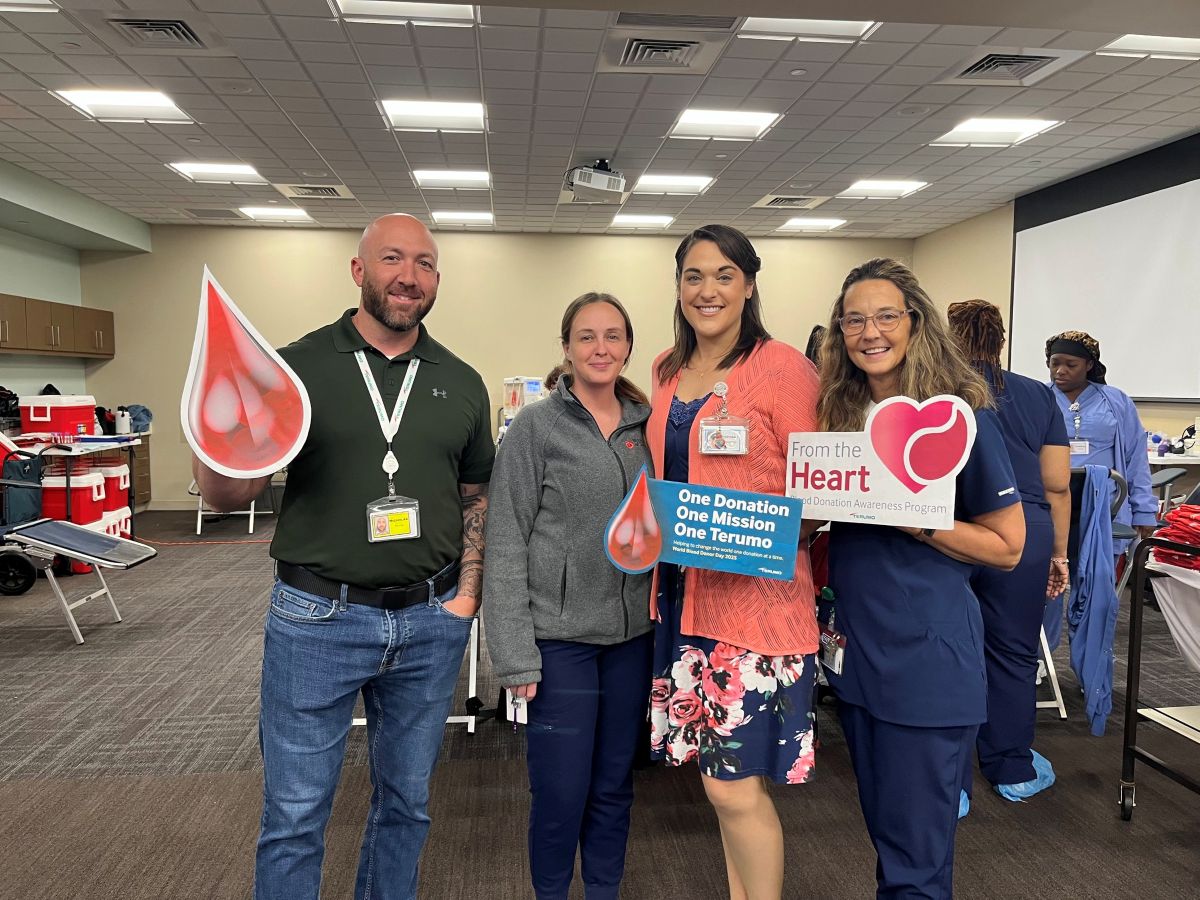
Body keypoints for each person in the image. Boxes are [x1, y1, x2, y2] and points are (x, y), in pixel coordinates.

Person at [193, 213, 495, 900]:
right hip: (316, 620)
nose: (408, 276)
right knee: (295, 815)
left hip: (430, 621)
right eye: (392, 259)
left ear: (437, 280)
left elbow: (475, 495)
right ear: (359, 270)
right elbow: (229, 491)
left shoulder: (461, 380)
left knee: (408, 805)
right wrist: (212, 426)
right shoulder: (293, 369)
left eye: (424, 264)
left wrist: (468, 596)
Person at [819, 260, 1025, 898]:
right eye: (854, 319)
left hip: (926, 661)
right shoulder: (840, 418)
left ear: (916, 323)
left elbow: (1008, 547)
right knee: (888, 834)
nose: (870, 332)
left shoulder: (958, 419)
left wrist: (917, 519)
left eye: (886, 316)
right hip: (856, 654)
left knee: (915, 855)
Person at [646, 224, 821, 900]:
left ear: (749, 285)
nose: (707, 289)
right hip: (683, 599)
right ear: (678, 287)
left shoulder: (783, 368)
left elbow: (819, 491)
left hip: (754, 610)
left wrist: (757, 532)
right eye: (693, 276)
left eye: (724, 275)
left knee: (733, 788)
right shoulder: (666, 369)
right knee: (717, 781)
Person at [483, 292, 653, 900]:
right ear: (567, 348)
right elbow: (505, 539)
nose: (600, 348)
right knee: (560, 791)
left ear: (627, 347)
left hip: (633, 639)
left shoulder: (647, 427)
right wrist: (515, 655)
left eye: (613, 336)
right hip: (560, 644)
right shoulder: (536, 427)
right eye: (587, 336)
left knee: (614, 786)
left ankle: (604, 890)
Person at [948, 299, 1070, 805]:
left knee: (949, 655)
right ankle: (1012, 767)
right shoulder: (1039, 395)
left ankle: (948, 786)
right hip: (1028, 531)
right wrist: (1059, 555)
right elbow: (1057, 484)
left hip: (954, 528)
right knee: (1015, 653)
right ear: (1000, 341)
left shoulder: (939, 390)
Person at [1045, 330, 1157, 566]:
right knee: (1048, 571)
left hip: (1105, 502)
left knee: (1096, 573)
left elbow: (1135, 457)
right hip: (1050, 500)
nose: (1060, 371)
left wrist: (1144, 510)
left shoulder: (1116, 400)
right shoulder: (1039, 397)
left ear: (1089, 365)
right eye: (1055, 363)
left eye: (1071, 365)